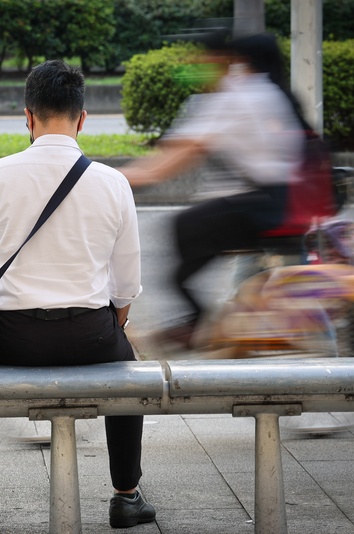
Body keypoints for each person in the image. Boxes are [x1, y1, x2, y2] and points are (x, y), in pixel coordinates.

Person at [0, 60, 155, 531]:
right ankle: (126, 494)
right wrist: (113, 324)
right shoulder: (112, 182)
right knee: (128, 368)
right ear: (82, 119)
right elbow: (126, 283)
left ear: (27, 116)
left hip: (10, 337)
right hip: (91, 336)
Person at [120, 32, 306, 347]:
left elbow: (160, 168)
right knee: (211, 247)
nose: (194, 67)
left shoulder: (237, 96)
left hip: (268, 209)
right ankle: (215, 330)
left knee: (184, 228)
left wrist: (92, 176)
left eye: (201, 59)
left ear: (224, 61)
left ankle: (198, 326)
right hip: (281, 204)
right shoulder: (262, 90)